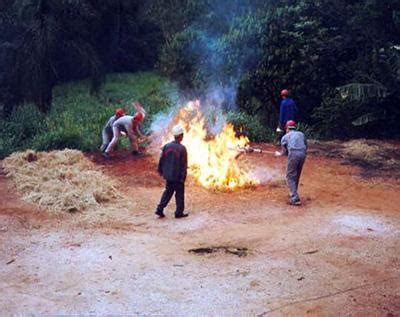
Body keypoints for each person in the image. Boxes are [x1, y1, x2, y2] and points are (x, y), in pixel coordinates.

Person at [155, 124, 188, 219]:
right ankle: (179, 212)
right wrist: (183, 177)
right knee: (179, 193)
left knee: (168, 192)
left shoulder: (166, 146)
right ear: (181, 136)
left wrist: (161, 171)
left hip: (168, 175)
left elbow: (161, 160)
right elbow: (184, 165)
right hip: (177, 176)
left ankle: (159, 209)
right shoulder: (182, 148)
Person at [275, 120, 307, 206]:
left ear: (287, 128)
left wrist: (279, 154)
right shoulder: (301, 134)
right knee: (296, 174)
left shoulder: (285, 137)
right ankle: (294, 193)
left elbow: (284, 152)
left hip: (294, 154)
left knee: (290, 176)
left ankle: (294, 198)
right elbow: (305, 145)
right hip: (303, 154)